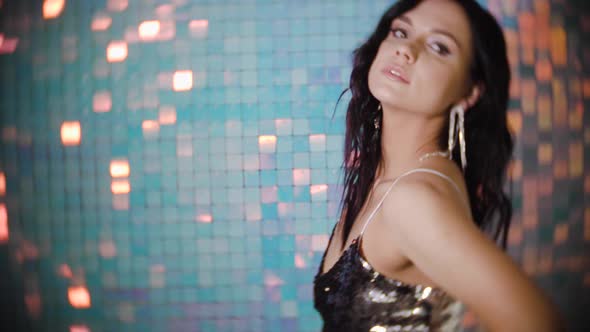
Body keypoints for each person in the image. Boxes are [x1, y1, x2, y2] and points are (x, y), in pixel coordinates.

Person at [313, 0, 565, 331]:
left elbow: (539, 323)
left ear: (469, 93)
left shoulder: (413, 199)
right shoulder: (388, 178)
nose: (406, 50)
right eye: (401, 31)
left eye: (439, 47)